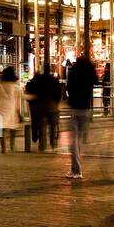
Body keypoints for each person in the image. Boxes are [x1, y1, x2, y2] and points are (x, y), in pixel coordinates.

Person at [64, 50, 98, 178]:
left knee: (73, 142)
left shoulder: (74, 72)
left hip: (75, 108)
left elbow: (69, 88)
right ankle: (75, 170)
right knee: (78, 141)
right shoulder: (90, 73)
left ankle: (76, 171)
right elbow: (95, 82)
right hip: (86, 109)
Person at [25, 66, 62, 150]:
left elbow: (36, 91)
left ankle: (42, 144)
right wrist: (56, 101)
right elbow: (59, 92)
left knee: (42, 126)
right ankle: (53, 142)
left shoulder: (39, 80)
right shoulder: (54, 80)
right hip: (52, 106)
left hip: (41, 106)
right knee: (53, 127)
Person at [0, 66, 24, 138]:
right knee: (12, 129)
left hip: (1, 109)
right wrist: (18, 112)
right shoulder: (16, 87)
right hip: (12, 109)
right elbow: (17, 102)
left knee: (1, 129)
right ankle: (12, 146)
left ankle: (3, 148)